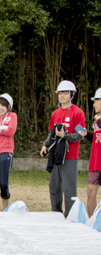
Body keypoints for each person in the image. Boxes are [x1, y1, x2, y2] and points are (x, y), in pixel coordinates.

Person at [41, 80, 87, 217]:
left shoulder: (78, 113)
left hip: (70, 156)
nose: (62, 96)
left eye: (65, 93)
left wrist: (65, 136)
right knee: (54, 186)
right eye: (60, 93)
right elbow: (51, 133)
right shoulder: (55, 113)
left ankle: (70, 216)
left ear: (71, 95)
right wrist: (45, 145)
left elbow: (80, 135)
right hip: (55, 155)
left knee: (69, 188)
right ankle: (56, 215)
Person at [88, 88, 101, 217]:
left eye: (96, 101)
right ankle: (91, 221)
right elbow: (96, 137)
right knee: (90, 192)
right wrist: (86, 134)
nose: (94, 104)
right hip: (95, 162)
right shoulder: (97, 119)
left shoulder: (98, 120)